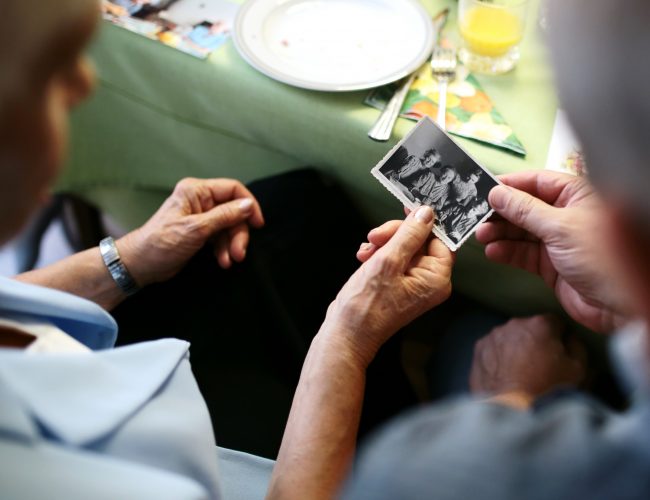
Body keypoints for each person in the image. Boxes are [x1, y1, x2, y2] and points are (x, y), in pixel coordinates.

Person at [0, 0, 451, 497]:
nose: (86, 83)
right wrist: (346, 343)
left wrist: (127, 259)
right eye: (51, 71)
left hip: (105, 378)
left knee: (295, 209)